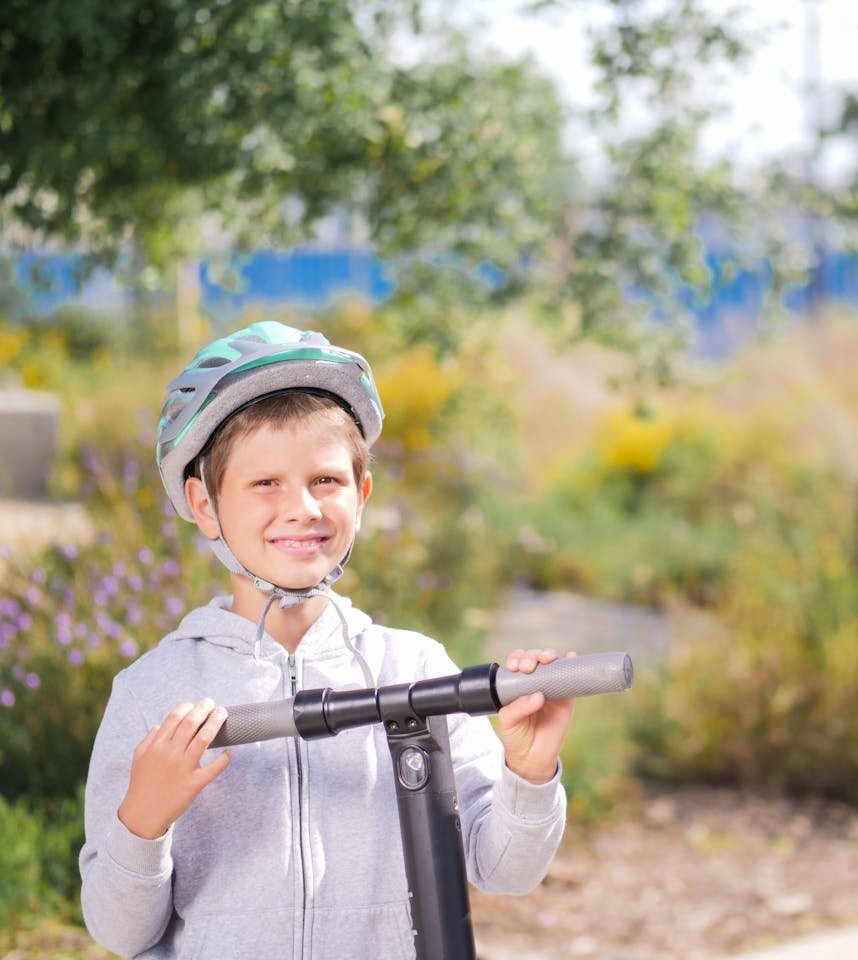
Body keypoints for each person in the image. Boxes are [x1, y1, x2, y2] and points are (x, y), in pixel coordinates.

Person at [79, 320, 575, 959]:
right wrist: (141, 822)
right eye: (265, 484)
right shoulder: (155, 691)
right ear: (205, 505)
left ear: (362, 493)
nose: (303, 508)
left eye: (326, 480)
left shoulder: (414, 668)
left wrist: (528, 773)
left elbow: (505, 869)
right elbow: (120, 933)